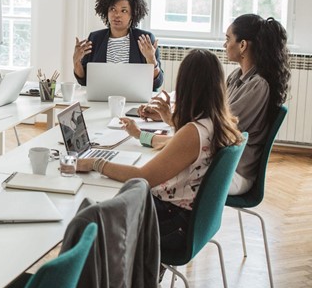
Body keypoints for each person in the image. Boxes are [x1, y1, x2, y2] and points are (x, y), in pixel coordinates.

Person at [76, 49, 243, 251]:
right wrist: (141, 134)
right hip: (189, 219)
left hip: (171, 223)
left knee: (89, 215)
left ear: (186, 85)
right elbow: (175, 146)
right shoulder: (219, 123)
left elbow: (142, 176)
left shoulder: (192, 132)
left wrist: (95, 163)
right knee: (104, 207)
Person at [139, 14, 290, 195]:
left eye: (228, 39)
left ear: (242, 45)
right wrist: (168, 116)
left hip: (233, 171)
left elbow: (216, 129)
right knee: (161, 163)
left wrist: (173, 119)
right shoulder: (236, 76)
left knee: (157, 173)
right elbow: (211, 115)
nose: (224, 45)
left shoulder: (258, 85)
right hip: (219, 157)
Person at [73, 0, 164, 90]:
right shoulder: (95, 38)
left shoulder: (145, 39)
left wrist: (151, 59)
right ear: (106, 12)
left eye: (124, 11)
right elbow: (84, 81)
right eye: (113, 9)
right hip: (102, 98)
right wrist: (76, 62)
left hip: (134, 100)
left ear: (132, 15)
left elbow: (157, 84)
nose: (117, 15)